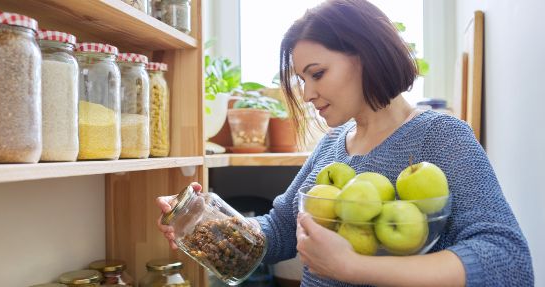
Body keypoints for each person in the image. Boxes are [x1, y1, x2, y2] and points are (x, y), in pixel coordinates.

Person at [157, 0, 534, 286]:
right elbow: (284, 230)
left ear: (366, 54)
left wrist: (353, 267)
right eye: (301, 80)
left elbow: (509, 259)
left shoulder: (442, 136)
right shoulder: (332, 145)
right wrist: (206, 225)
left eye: (316, 74)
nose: (306, 95)